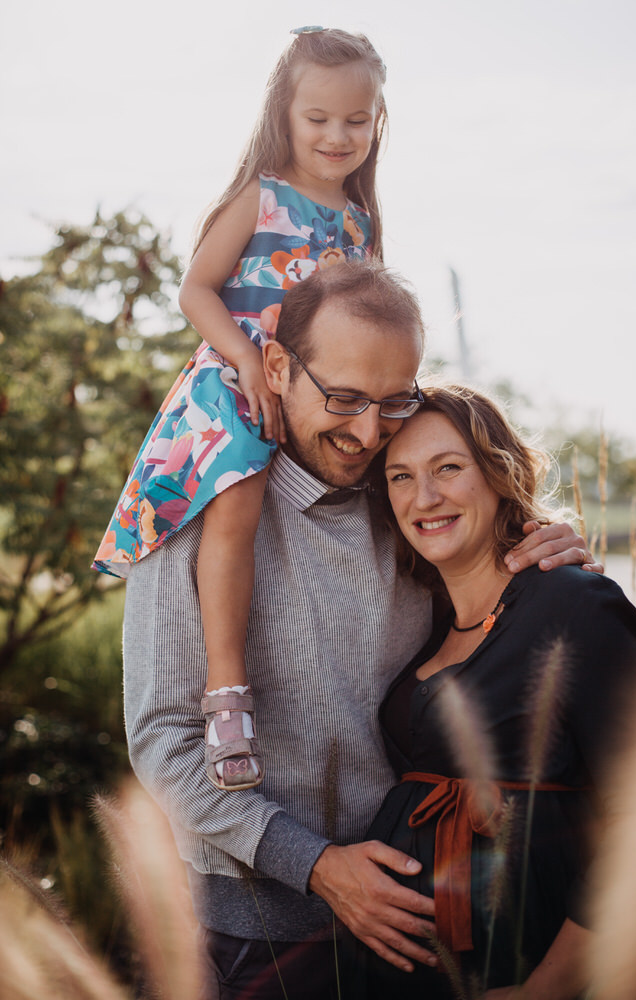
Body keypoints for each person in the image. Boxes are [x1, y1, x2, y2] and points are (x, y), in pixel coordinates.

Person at [121, 260, 600, 1000]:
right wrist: (313, 865)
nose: (368, 432)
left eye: (393, 402)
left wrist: (540, 545)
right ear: (276, 367)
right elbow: (162, 738)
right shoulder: (194, 508)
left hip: (423, 927)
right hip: (256, 934)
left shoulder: (409, 502)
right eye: (342, 399)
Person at [93, 26, 387, 791]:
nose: (336, 134)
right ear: (283, 113)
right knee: (239, 492)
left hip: (315, 393)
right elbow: (196, 288)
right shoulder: (259, 196)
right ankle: (227, 688)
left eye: (356, 119)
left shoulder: (357, 219)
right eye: (318, 116)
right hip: (238, 374)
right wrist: (248, 359)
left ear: (377, 120)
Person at [343, 384, 636, 999]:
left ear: (498, 473)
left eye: (448, 468)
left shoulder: (573, 605)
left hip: (527, 966)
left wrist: (543, 990)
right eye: (401, 477)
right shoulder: (428, 621)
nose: (425, 497)